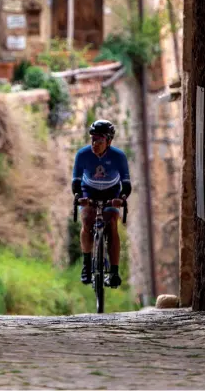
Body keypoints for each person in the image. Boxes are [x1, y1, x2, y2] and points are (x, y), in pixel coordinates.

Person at [72, 119, 131, 289]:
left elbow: (126, 184)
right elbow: (75, 182)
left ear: (109, 141)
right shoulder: (82, 155)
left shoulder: (119, 157)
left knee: (112, 223)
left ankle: (114, 271)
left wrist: (122, 198)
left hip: (111, 192)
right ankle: (87, 265)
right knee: (87, 220)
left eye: (99, 140)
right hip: (88, 191)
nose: (94, 144)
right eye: (92, 139)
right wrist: (79, 196)